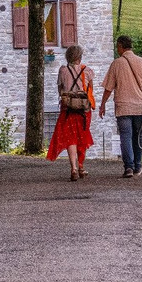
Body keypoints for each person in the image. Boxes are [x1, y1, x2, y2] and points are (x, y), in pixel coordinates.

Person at [99, 35, 142, 178]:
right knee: (138, 136)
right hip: (140, 106)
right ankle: (138, 166)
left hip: (123, 106)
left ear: (120, 46)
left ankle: (128, 167)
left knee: (125, 136)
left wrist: (103, 104)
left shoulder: (116, 64)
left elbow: (108, 88)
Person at [46, 45, 95, 181]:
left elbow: (60, 89)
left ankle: (73, 167)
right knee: (82, 137)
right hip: (83, 111)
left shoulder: (63, 70)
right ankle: (81, 166)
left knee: (70, 138)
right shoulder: (87, 70)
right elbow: (90, 90)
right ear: (79, 57)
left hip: (67, 109)